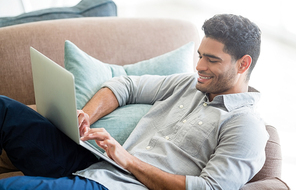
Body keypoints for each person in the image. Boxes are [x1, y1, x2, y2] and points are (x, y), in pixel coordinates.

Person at [0, 14, 268, 190]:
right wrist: (86, 116)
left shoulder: (246, 126)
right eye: (200, 55)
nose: (199, 66)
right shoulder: (189, 84)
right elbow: (127, 85)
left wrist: (128, 161)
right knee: (3, 108)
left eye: (212, 59)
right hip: (95, 162)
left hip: (119, 185)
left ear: (243, 64)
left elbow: (210, 188)